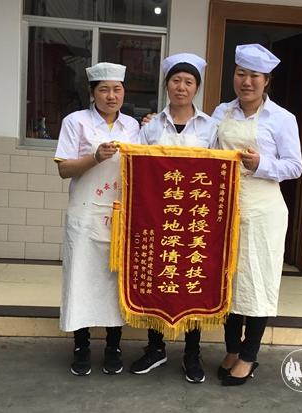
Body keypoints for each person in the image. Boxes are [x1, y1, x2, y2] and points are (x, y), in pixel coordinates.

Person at [211, 44, 302, 386]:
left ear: (266, 81)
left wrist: (261, 164)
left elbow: (294, 166)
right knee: (229, 282)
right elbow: (202, 150)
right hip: (226, 207)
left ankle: (249, 356)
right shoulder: (221, 112)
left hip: (264, 210)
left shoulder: (281, 118)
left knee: (257, 282)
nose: (246, 82)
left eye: (254, 76)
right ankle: (232, 349)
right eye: (240, 74)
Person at [130, 53, 218, 384]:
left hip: (196, 219)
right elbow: (137, 168)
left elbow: (220, 173)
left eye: (189, 82)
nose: (182, 87)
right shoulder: (151, 126)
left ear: (197, 88)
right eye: (176, 80)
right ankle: (156, 348)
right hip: (158, 216)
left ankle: (192, 353)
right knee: (159, 278)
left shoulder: (211, 127)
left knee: (193, 280)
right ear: (167, 85)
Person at [54, 62, 140, 376]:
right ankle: (81, 345)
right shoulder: (75, 121)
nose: (111, 96)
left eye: (117, 89)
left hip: (119, 214)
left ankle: (113, 346)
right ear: (92, 93)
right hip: (86, 213)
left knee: (114, 281)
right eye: (104, 90)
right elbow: (63, 169)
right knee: (81, 278)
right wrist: (95, 157)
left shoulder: (133, 126)